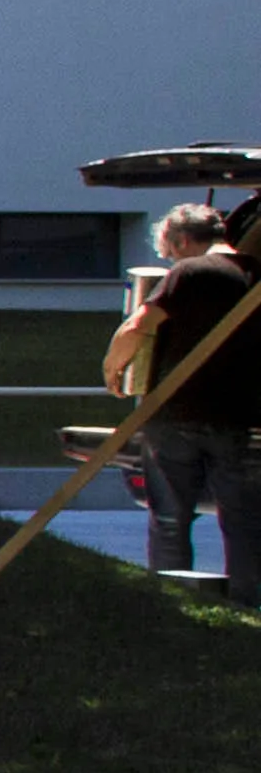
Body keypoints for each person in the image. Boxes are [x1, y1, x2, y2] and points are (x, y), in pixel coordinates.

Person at [116, 207, 261, 578]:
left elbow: (138, 326)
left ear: (182, 241)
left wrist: (112, 367)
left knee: (169, 519)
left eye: (169, 250)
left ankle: (171, 599)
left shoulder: (189, 271)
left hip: (176, 414)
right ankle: (247, 607)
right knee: (242, 522)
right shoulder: (254, 275)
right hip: (237, 416)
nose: (170, 259)